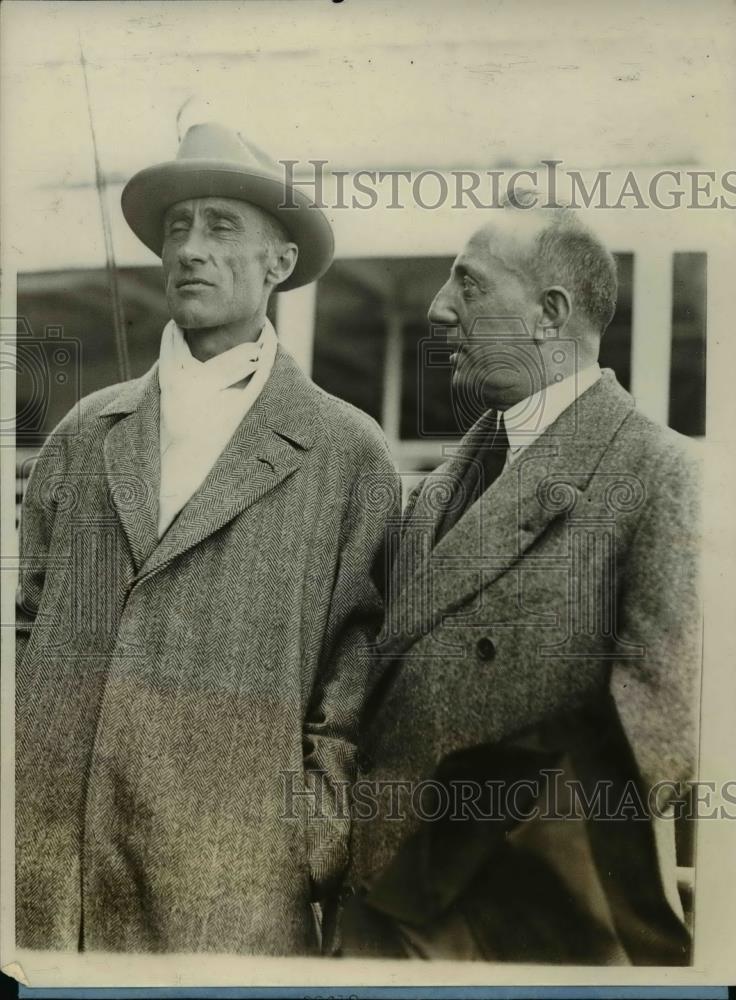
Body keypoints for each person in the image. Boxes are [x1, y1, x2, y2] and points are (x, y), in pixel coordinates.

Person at [16, 121, 399, 955]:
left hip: (229, 893)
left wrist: (311, 843)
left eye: (222, 226)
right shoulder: (89, 432)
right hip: (54, 881)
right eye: (178, 227)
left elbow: (354, 680)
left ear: (281, 262)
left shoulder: (344, 449)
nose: (190, 249)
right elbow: (29, 621)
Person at [343, 201, 701, 965]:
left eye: (468, 285)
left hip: (508, 936)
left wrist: (445, 880)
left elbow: (658, 742)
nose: (440, 311)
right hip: (379, 918)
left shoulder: (662, 474)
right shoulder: (441, 489)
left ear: (549, 315)